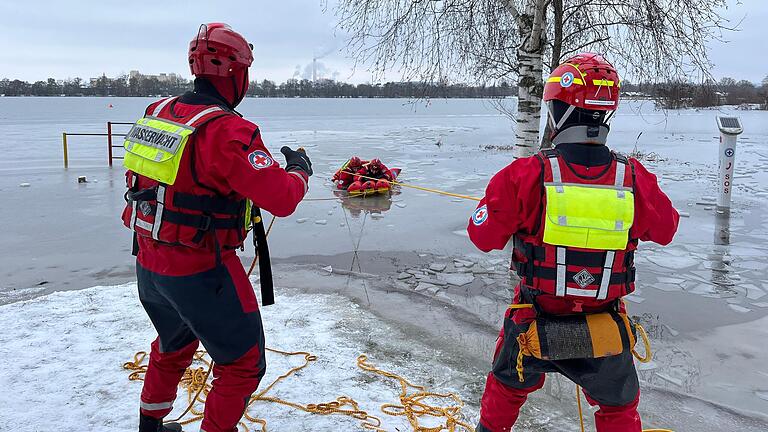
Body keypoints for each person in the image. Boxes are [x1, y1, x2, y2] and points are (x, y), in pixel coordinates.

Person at [467, 53, 679, 432]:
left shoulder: (524, 175)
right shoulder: (633, 178)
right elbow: (667, 229)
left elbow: (482, 237)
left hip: (533, 318)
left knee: (505, 389)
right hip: (604, 322)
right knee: (618, 408)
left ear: (557, 110)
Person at [120, 23, 312, 432]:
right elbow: (282, 198)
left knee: (173, 344)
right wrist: (298, 170)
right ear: (236, 73)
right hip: (202, 271)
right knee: (243, 365)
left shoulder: (155, 113)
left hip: (149, 265)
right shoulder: (228, 130)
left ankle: (149, 427)